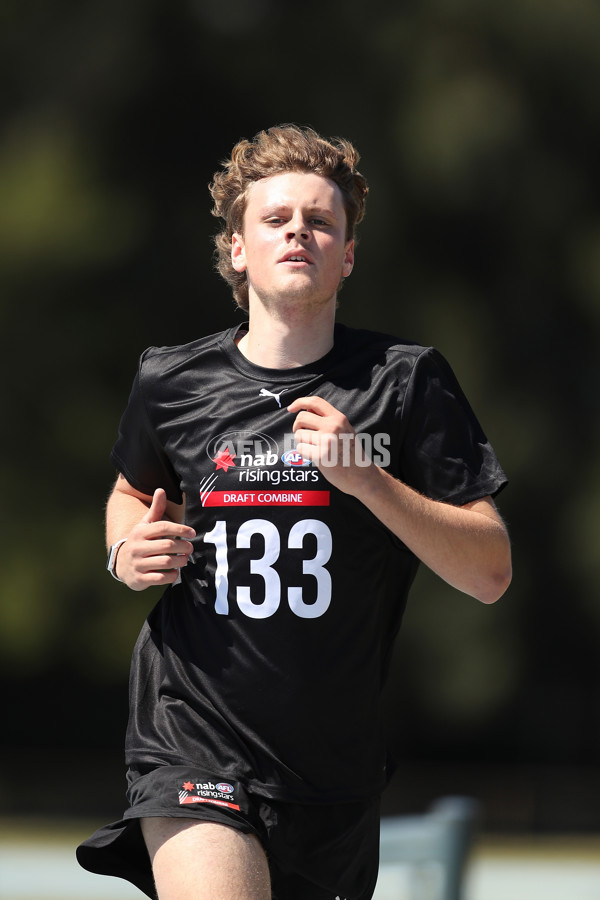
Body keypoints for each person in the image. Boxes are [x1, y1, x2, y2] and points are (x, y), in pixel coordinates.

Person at [77, 124, 511, 900]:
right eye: (276, 219)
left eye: (320, 221)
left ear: (347, 255)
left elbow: (489, 572)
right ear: (238, 249)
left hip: (331, 770)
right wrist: (123, 552)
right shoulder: (170, 382)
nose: (298, 233)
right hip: (192, 734)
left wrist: (370, 481)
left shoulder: (406, 383)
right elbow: (127, 493)